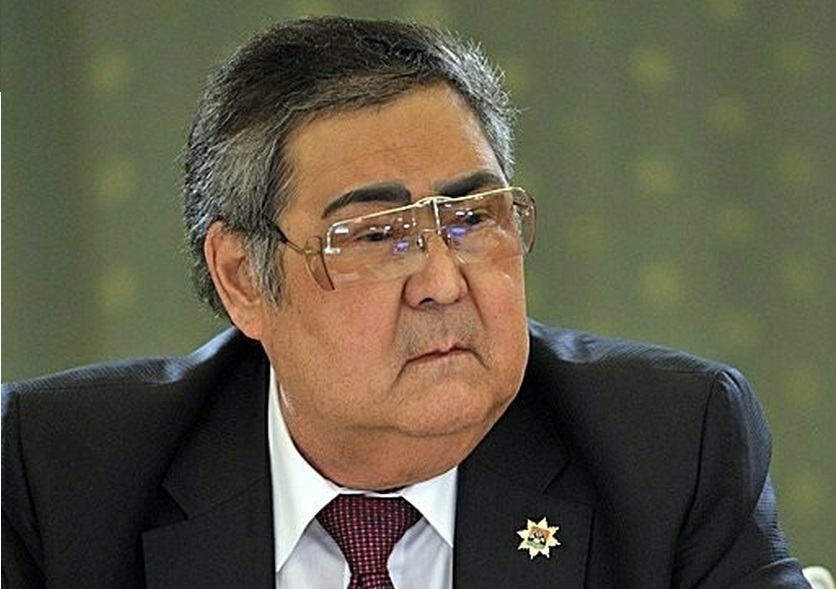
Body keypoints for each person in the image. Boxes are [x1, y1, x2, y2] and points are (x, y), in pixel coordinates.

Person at [1, 16, 811, 589]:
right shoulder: (56, 474)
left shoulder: (670, 445)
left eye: (473, 219)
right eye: (375, 234)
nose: (443, 282)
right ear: (243, 277)